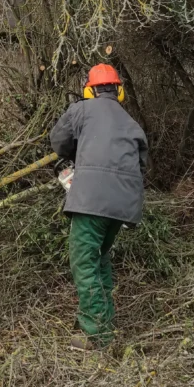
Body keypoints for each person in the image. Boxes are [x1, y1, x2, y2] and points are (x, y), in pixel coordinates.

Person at [50, 64, 148, 350]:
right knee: (100, 257)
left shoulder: (80, 110)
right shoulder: (132, 124)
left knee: (84, 262)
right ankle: (104, 322)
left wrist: (77, 153)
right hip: (124, 205)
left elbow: (58, 142)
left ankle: (95, 334)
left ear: (89, 90)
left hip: (91, 200)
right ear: (119, 91)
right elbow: (142, 166)